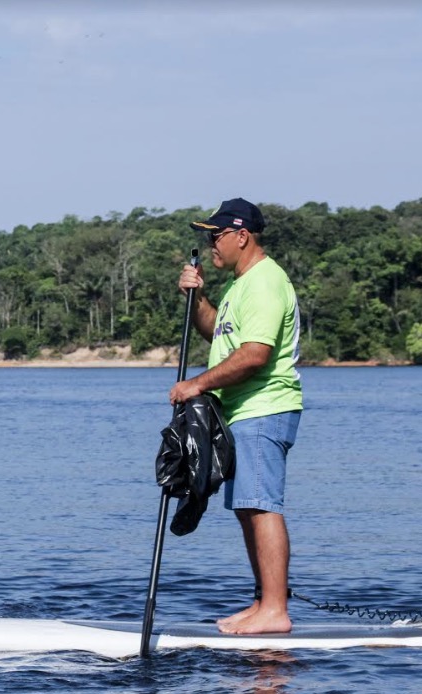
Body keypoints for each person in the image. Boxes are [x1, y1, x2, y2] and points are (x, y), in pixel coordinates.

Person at [169, 198, 303, 635]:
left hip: (264, 407)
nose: (210, 244)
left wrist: (197, 384)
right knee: (247, 507)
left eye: (216, 235)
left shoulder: (265, 282)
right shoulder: (239, 286)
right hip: (242, 412)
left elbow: (255, 355)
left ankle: (276, 610)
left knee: (261, 506)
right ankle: (264, 602)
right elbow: (218, 335)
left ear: (241, 235)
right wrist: (198, 298)